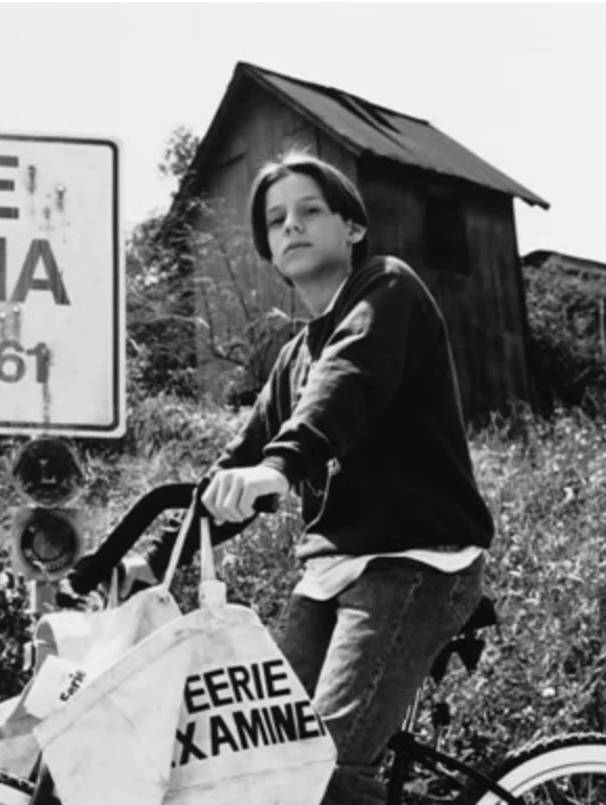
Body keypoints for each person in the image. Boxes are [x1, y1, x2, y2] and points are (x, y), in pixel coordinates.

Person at [115, 150, 494, 805]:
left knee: (324, 774)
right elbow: (239, 456)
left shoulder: (388, 289)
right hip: (328, 576)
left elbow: (348, 384)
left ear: (351, 227)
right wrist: (152, 558)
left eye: (310, 210)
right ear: (267, 246)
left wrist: (282, 465)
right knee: (263, 762)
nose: (291, 224)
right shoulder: (294, 358)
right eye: (276, 218)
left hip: (416, 564)